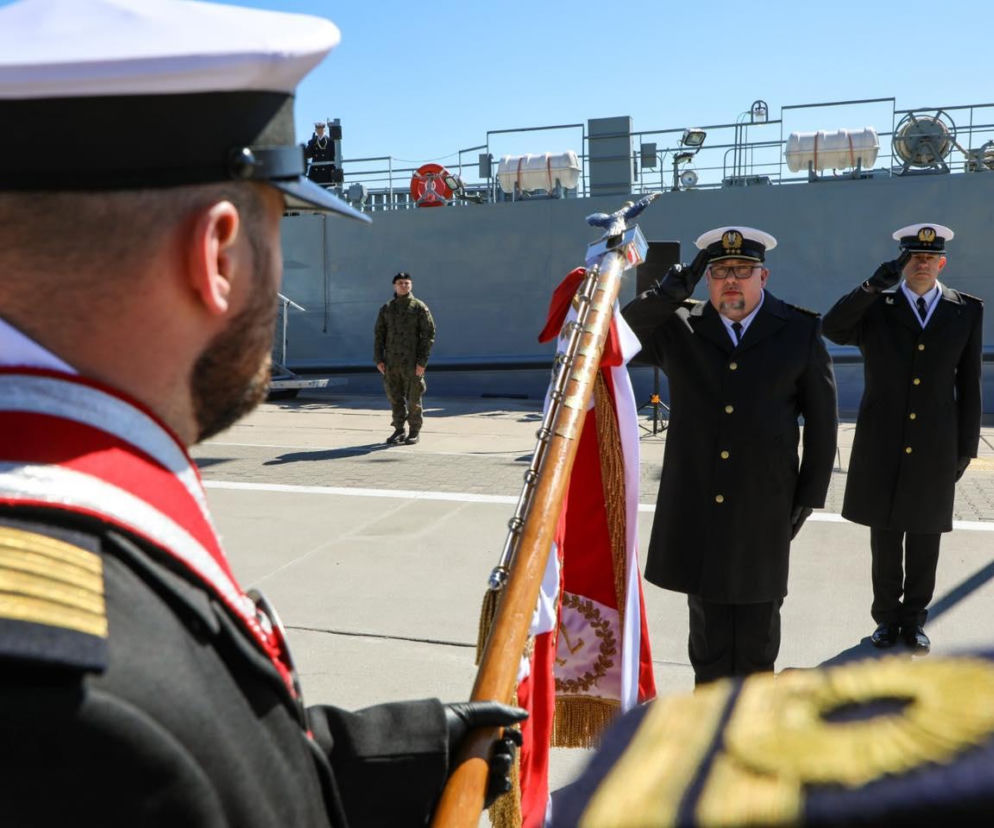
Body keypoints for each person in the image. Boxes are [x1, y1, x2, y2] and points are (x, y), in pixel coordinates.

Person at [0, 2, 523, 826]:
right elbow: (137, 755)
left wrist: (389, 756)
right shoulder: (78, 705)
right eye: (278, 224)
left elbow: (186, 759)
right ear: (217, 254)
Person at [621, 226, 838, 685]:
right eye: (719, 272)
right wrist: (666, 293)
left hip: (765, 502)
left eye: (742, 270)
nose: (731, 280)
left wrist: (808, 496)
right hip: (699, 501)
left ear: (764, 275)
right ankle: (710, 729)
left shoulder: (798, 329)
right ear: (706, 280)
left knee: (759, 633)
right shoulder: (680, 325)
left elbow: (823, 422)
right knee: (708, 632)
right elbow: (617, 338)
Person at [822, 223, 983, 654]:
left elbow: (968, 384)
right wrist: (873, 285)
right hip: (883, 440)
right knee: (886, 537)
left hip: (936, 441)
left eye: (930, 257)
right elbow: (832, 328)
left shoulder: (964, 309)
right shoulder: (877, 306)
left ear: (942, 262)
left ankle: (914, 621)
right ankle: (885, 620)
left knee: (926, 534)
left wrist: (966, 447)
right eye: (914, 257)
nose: (922, 263)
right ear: (902, 261)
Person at [374, 272, 437, 445]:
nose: (404, 286)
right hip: (391, 363)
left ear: (411, 285)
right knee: (394, 398)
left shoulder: (418, 307)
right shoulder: (387, 308)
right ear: (394, 285)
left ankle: (414, 431)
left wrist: (422, 362)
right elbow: (379, 334)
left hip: (412, 363)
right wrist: (378, 359)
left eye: (407, 283)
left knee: (414, 400)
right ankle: (399, 430)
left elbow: (429, 335)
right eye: (401, 283)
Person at [305, 120, 337, 184]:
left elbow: (333, 156)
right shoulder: (312, 142)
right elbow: (307, 155)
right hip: (315, 174)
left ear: (324, 129)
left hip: (327, 173)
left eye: (321, 128)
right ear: (316, 130)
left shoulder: (330, 142)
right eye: (318, 128)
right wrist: (312, 143)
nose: (319, 130)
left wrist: (333, 171)